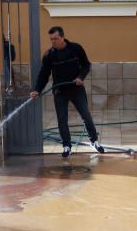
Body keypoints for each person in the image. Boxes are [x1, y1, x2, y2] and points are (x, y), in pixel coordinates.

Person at [30, 26, 104, 157]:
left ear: (62, 37)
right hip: (60, 91)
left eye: (56, 39)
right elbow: (43, 75)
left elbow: (86, 65)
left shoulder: (76, 48)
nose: (53, 41)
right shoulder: (49, 55)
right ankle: (66, 146)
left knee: (86, 115)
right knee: (62, 120)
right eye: (51, 39)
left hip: (76, 89)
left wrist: (81, 77)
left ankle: (94, 141)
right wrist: (37, 90)